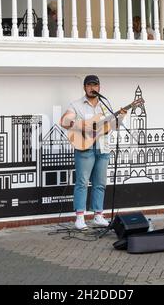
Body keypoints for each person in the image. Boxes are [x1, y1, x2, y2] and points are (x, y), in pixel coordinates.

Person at [60, 75, 127, 230]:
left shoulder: (105, 105)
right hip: (84, 148)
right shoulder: (76, 105)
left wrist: (121, 116)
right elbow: (64, 121)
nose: (92, 88)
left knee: (100, 183)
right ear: (84, 88)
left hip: (103, 148)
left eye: (95, 85)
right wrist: (83, 126)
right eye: (89, 85)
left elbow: (114, 126)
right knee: (82, 182)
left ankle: (98, 216)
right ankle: (80, 217)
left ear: (99, 88)